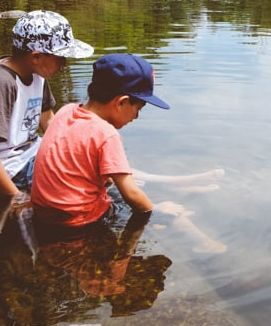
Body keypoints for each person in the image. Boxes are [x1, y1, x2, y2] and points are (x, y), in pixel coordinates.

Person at [0, 10, 94, 200]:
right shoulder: (1, 84)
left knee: (90, 163)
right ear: (36, 57)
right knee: (79, 188)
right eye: (60, 58)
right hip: (7, 165)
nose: (64, 64)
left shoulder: (37, 73)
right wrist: (16, 198)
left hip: (30, 152)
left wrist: (73, 151)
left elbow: (48, 119)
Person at [30, 53, 170, 229]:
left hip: (44, 213)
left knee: (114, 184)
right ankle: (203, 244)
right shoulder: (106, 134)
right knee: (168, 214)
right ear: (121, 102)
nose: (136, 117)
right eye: (138, 109)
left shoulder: (67, 111)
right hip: (79, 220)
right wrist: (156, 210)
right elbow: (132, 194)